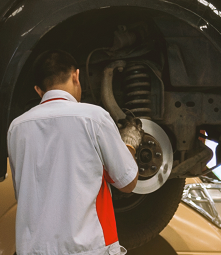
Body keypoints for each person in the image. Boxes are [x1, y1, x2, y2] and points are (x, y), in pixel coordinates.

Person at [7, 50, 140, 255]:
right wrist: (129, 143)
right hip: (88, 249)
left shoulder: (17, 128)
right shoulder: (94, 118)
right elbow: (127, 182)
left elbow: (24, 193)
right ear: (76, 76)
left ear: (38, 90)